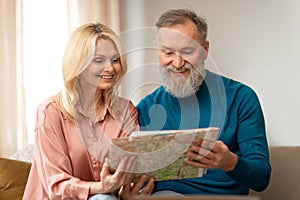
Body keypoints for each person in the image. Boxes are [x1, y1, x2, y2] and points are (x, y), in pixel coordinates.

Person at [135, 8, 271, 195]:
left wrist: (229, 162)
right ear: (158, 53)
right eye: (168, 53)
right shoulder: (145, 108)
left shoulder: (241, 98)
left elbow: (261, 178)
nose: (177, 63)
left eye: (187, 51)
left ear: (205, 50)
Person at [23, 22, 154, 200]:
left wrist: (126, 192)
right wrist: (99, 188)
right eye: (99, 60)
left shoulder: (125, 110)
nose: (110, 68)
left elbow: (125, 171)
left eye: (115, 60)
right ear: (78, 64)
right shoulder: (50, 111)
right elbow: (55, 186)